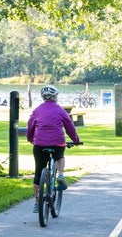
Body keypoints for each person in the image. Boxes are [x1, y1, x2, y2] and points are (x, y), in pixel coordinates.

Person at [27, 85, 81, 213]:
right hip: (57, 143)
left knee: (38, 172)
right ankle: (61, 174)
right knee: (59, 156)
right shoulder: (60, 110)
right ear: (55, 97)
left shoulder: (37, 110)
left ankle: (36, 202)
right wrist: (76, 140)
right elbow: (69, 127)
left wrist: (31, 139)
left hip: (39, 144)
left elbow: (30, 126)